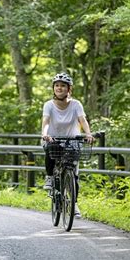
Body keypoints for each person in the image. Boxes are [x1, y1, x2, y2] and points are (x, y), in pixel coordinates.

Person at [41, 72, 94, 218]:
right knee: (50, 149)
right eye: (57, 85)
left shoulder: (76, 104)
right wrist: (45, 134)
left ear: (69, 89)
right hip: (53, 140)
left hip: (72, 141)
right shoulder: (48, 105)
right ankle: (50, 177)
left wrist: (88, 133)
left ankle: (74, 204)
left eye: (63, 86)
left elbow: (82, 120)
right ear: (53, 88)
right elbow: (45, 122)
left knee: (74, 174)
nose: (59, 88)